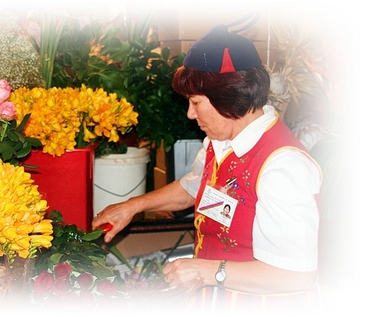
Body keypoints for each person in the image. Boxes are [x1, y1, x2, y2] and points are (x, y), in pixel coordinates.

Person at [92, 24, 322, 313]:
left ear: (230, 96)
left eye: (196, 102)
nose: (190, 113)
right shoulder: (221, 139)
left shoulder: (283, 166)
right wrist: (133, 206)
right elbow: (193, 187)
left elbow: (297, 275)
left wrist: (205, 271)